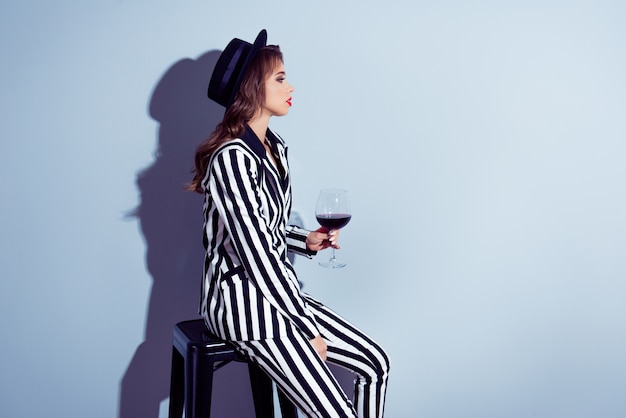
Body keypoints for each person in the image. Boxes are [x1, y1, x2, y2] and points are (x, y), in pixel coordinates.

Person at [187, 29, 390, 417]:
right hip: (241, 301)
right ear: (251, 88)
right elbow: (257, 254)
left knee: (376, 363)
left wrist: (305, 241)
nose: (290, 85)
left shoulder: (274, 148)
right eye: (279, 78)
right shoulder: (232, 159)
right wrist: (303, 327)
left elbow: (264, 228)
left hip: (277, 294)